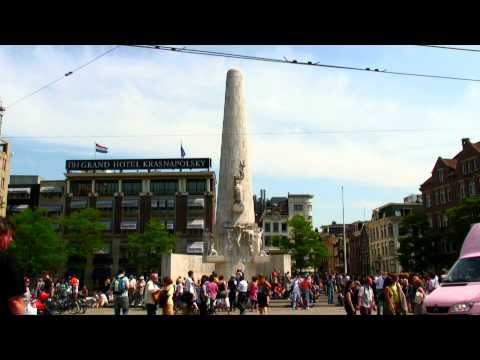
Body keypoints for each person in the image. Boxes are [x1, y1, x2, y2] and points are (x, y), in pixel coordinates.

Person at [0, 219, 25, 315]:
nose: (11, 240)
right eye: (9, 235)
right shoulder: (7, 260)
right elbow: (15, 303)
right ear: (1, 236)